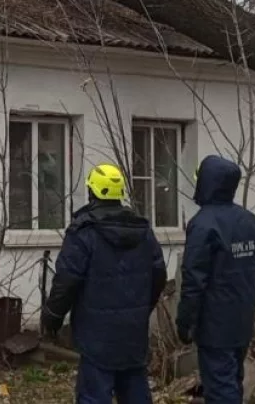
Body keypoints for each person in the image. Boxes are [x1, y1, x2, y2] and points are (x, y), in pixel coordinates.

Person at [41, 163, 167, 404]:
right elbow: (158, 275)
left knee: (93, 395)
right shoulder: (143, 231)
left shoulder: (83, 232)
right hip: (133, 333)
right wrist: (141, 309)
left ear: (92, 192)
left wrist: (52, 318)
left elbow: (66, 281)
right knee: (135, 390)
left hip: (96, 336)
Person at [176, 155, 255, 404]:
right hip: (241, 320)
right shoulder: (251, 223)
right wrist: (248, 305)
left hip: (215, 324)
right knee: (232, 381)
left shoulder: (203, 225)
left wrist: (185, 322)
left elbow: (194, 279)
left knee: (220, 388)